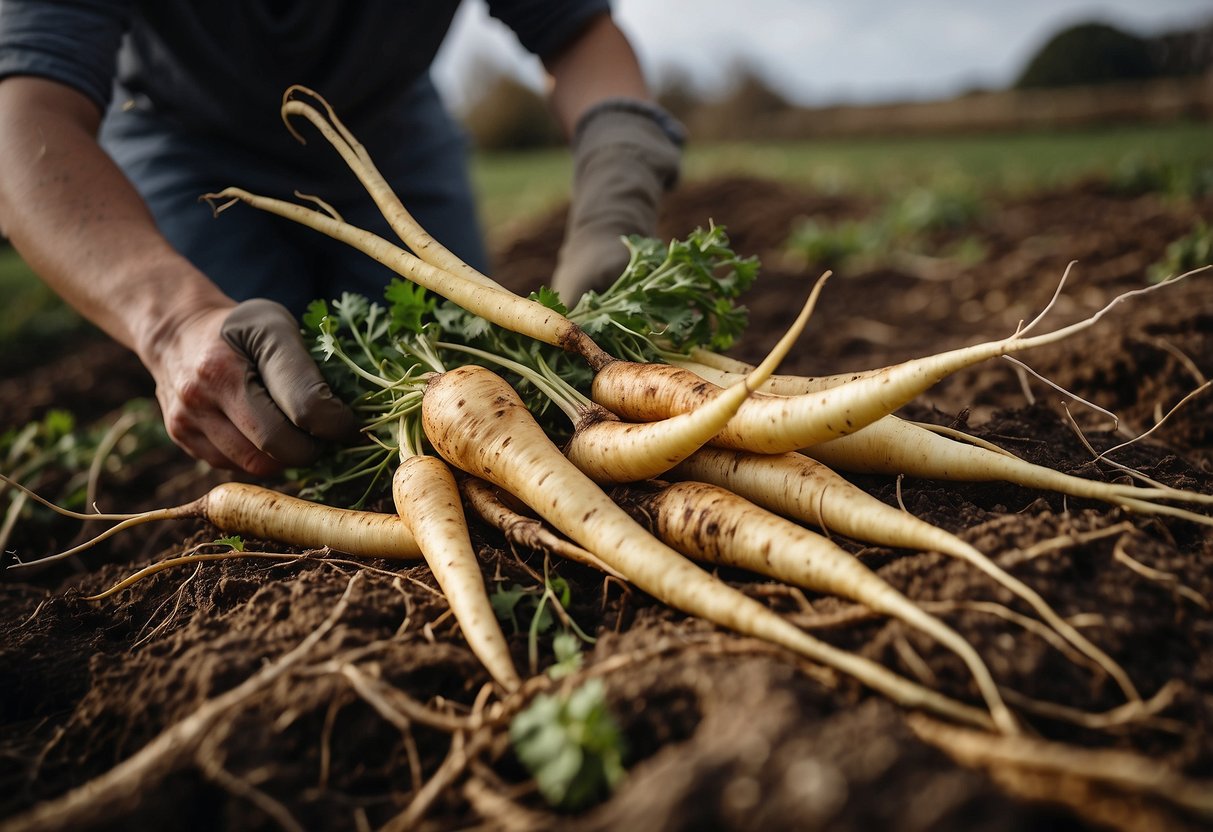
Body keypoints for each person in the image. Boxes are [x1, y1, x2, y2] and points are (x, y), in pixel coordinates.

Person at [0, 1, 684, 477]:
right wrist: (172, 321)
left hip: (391, 131)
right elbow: (24, 122)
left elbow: (580, 36)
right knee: (271, 413)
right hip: (184, 145)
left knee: (453, 372)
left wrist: (613, 204)